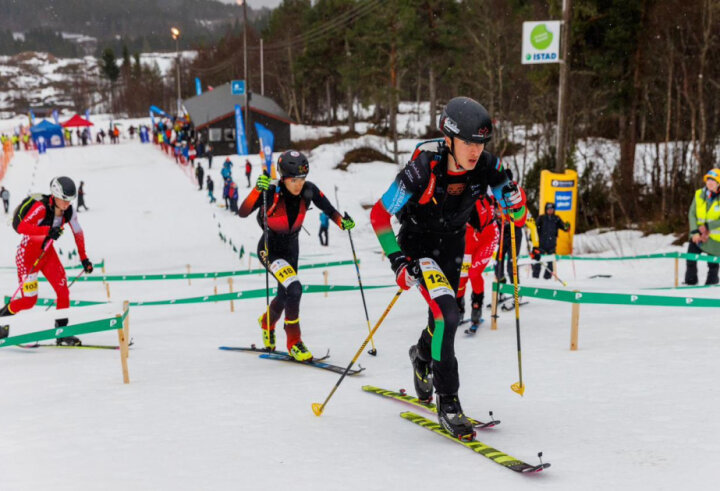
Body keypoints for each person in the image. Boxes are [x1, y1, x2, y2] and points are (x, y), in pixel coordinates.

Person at [369, 97, 527, 440]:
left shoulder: (487, 166)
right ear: (450, 139)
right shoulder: (423, 168)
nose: (475, 151)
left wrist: (517, 204)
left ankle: (421, 357)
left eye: (480, 143)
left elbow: (517, 213)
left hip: (452, 247)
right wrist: (397, 261)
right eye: (468, 142)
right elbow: (379, 217)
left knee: (444, 316)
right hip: (419, 246)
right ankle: (449, 401)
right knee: (447, 316)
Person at [238, 150, 355, 361]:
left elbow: (329, 210)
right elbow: (243, 211)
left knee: (285, 294)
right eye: (293, 180)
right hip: (269, 248)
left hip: (292, 249)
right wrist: (256, 190)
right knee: (294, 288)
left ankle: (266, 322)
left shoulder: (309, 190)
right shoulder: (271, 191)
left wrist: (342, 222)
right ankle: (294, 342)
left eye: (302, 179)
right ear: (283, 178)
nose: (298, 184)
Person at [0, 177, 94, 345]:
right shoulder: (41, 208)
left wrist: (84, 258)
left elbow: (78, 233)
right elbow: (22, 227)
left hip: (47, 255)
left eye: (69, 200)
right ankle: (3, 317)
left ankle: (62, 333)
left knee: (63, 291)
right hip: (27, 257)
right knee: (29, 301)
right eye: (64, 200)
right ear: (55, 195)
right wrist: (47, 230)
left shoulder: (70, 212)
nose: (66, 204)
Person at [456, 196, 499, 329]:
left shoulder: (489, 186)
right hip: (468, 237)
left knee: (474, 273)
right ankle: (458, 307)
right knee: (462, 276)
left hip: (488, 236)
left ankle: (477, 305)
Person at [685, 168, 720, 285]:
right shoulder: (699, 194)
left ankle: (711, 283)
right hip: (698, 235)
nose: (710, 183)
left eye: (713, 180)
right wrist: (694, 231)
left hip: (715, 238)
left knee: (713, 264)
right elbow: (692, 214)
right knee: (690, 258)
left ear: (718, 183)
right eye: (708, 180)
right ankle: (690, 281)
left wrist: (708, 226)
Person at [531, 202, 570, 279]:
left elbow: (564, 228)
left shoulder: (556, 218)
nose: (550, 211)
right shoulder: (541, 218)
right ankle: (535, 277)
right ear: (546, 210)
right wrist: (531, 237)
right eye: (548, 209)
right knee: (538, 261)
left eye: (551, 209)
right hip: (541, 244)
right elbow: (534, 229)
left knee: (551, 263)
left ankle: (547, 278)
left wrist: (567, 226)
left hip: (552, 244)